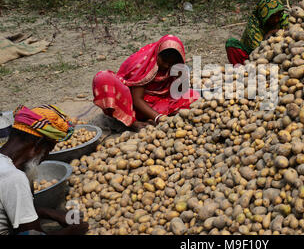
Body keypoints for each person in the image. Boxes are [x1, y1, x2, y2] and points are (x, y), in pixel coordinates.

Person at [0, 104, 89, 235]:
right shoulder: (13, 177)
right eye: (48, 150)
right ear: (38, 145)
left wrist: (48, 212)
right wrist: (71, 232)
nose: (45, 157)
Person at [93, 35, 199, 130]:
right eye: (164, 61)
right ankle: (132, 123)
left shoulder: (176, 67)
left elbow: (179, 91)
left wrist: (180, 75)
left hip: (157, 102)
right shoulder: (145, 64)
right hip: (132, 104)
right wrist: (158, 117)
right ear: (157, 54)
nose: (167, 66)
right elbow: (137, 99)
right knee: (103, 79)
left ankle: (150, 119)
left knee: (192, 96)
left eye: (172, 63)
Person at [225, 0, 290, 66]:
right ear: (263, 14)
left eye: (278, 15)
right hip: (251, 56)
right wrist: (267, 36)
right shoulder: (254, 25)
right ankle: (242, 70)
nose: (276, 19)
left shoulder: (284, 19)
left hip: (278, 54)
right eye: (272, 17)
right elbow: (259, 52)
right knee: (231, 43)